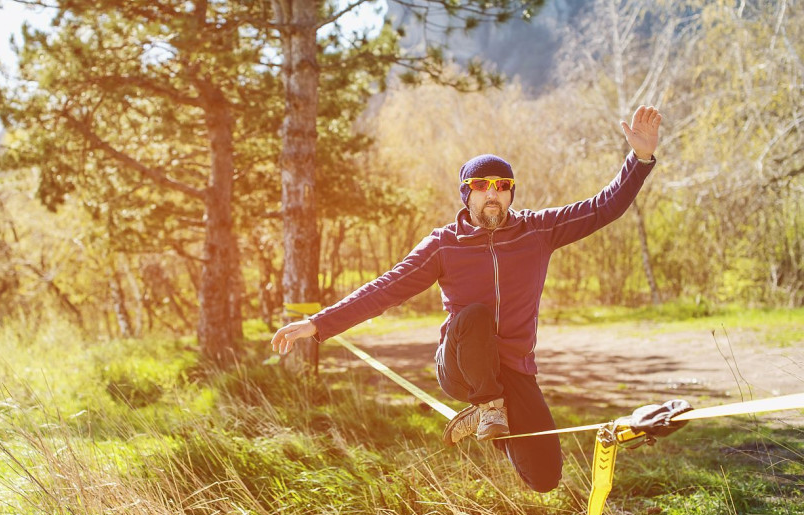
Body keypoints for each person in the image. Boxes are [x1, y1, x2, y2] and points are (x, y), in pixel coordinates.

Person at [271, 106, 662, 493]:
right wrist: (319, 323)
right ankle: (488, 407)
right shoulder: (443, 245)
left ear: (511, 193)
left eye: (502, 185)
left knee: (545, 478)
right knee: (474, 317)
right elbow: (385, 287)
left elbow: (603, 207)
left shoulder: (538, 231)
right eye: (481, 185)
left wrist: (639, 158)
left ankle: (497, 419)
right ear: (466, 194)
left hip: (513, 370)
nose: (493, 193)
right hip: (461, 366)